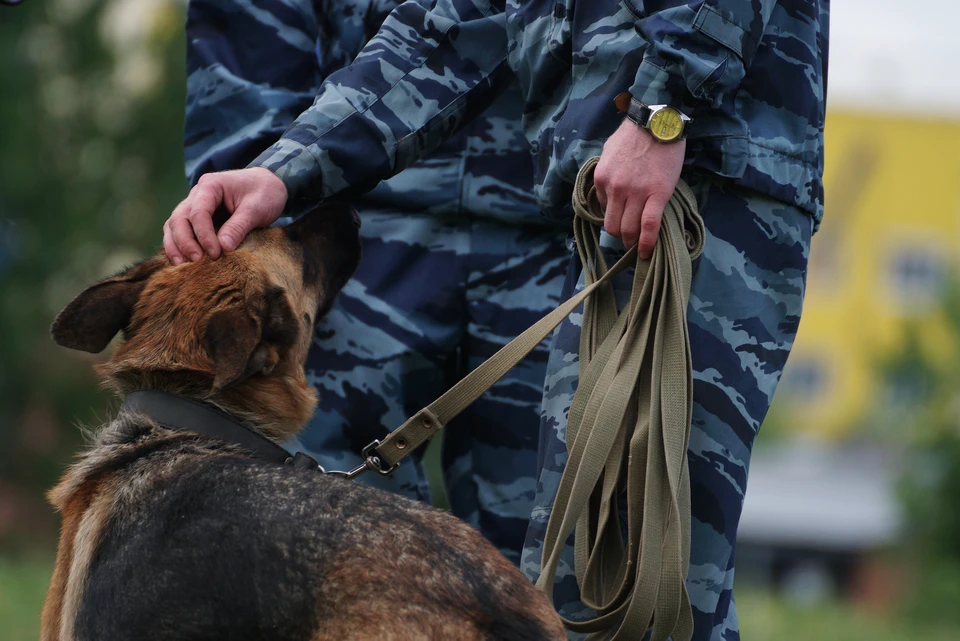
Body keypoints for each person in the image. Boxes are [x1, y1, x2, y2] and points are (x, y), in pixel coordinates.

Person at [166, 1, 829, 638]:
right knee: (584, 591)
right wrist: (283, 173)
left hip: (697, 177)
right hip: (621, 197)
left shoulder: (672, 122)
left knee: (634, 594)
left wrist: (664, 108)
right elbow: (450, 27)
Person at [180, 0, 571, 566]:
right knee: (330, 553)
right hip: (343, 233)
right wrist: (260, 233)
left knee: (573, 561)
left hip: (577, 220)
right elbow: (250, 33)